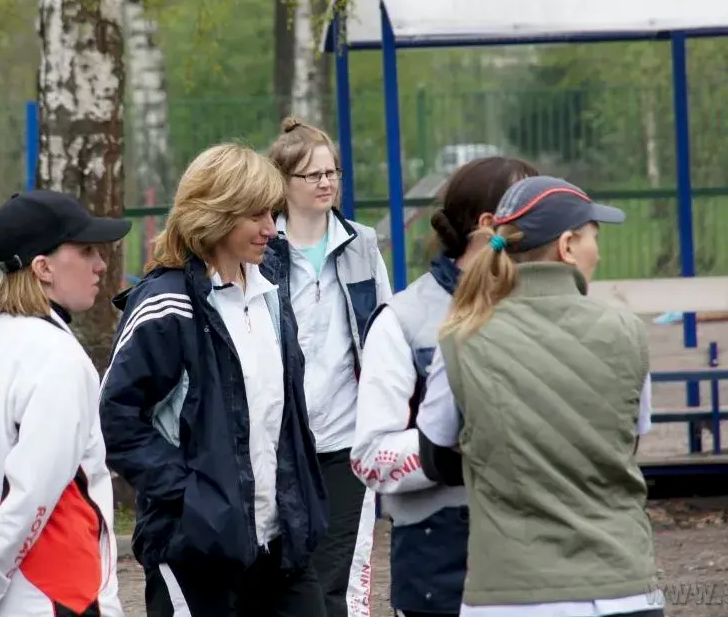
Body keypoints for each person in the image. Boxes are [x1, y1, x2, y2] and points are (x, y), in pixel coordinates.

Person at [98, 142, 328, 617]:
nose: (271, 228)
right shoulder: (166, 304)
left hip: (281, 546)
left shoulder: (271, 291)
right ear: (214, 215)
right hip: (196, 552)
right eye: (255, 215)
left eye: (272, 213)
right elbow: (116, 418)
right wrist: (194, 499)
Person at [418, 175, 662, 617]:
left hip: (510, 593)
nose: (598, 252)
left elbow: (434, 458)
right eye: (593, 237)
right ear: (567, 246)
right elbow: (627, 442)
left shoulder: (460, 338)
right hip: (622, 585)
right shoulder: (626, 331)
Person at [0, 189, 129, 617]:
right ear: (43, 268)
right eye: (86, 251)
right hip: (58, 600)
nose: (101, 265)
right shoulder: (59, 358)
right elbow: (30, 497)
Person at [351, 156, 539, 617]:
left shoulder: (548, 307)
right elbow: (371, 458)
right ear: (489, 224)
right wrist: (454, 450)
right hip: (440, 561)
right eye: (530, 208)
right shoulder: (403, 319)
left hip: (541, 553)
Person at [266, 117, 393, 617]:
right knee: (286, 574)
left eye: (331, 172)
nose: (325, 183)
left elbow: (383, 329)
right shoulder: (263, 250)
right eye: (312, 175)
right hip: (281, 441)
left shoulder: (361, 243)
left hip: (345, 437)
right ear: (283, 183)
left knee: (334, 575)